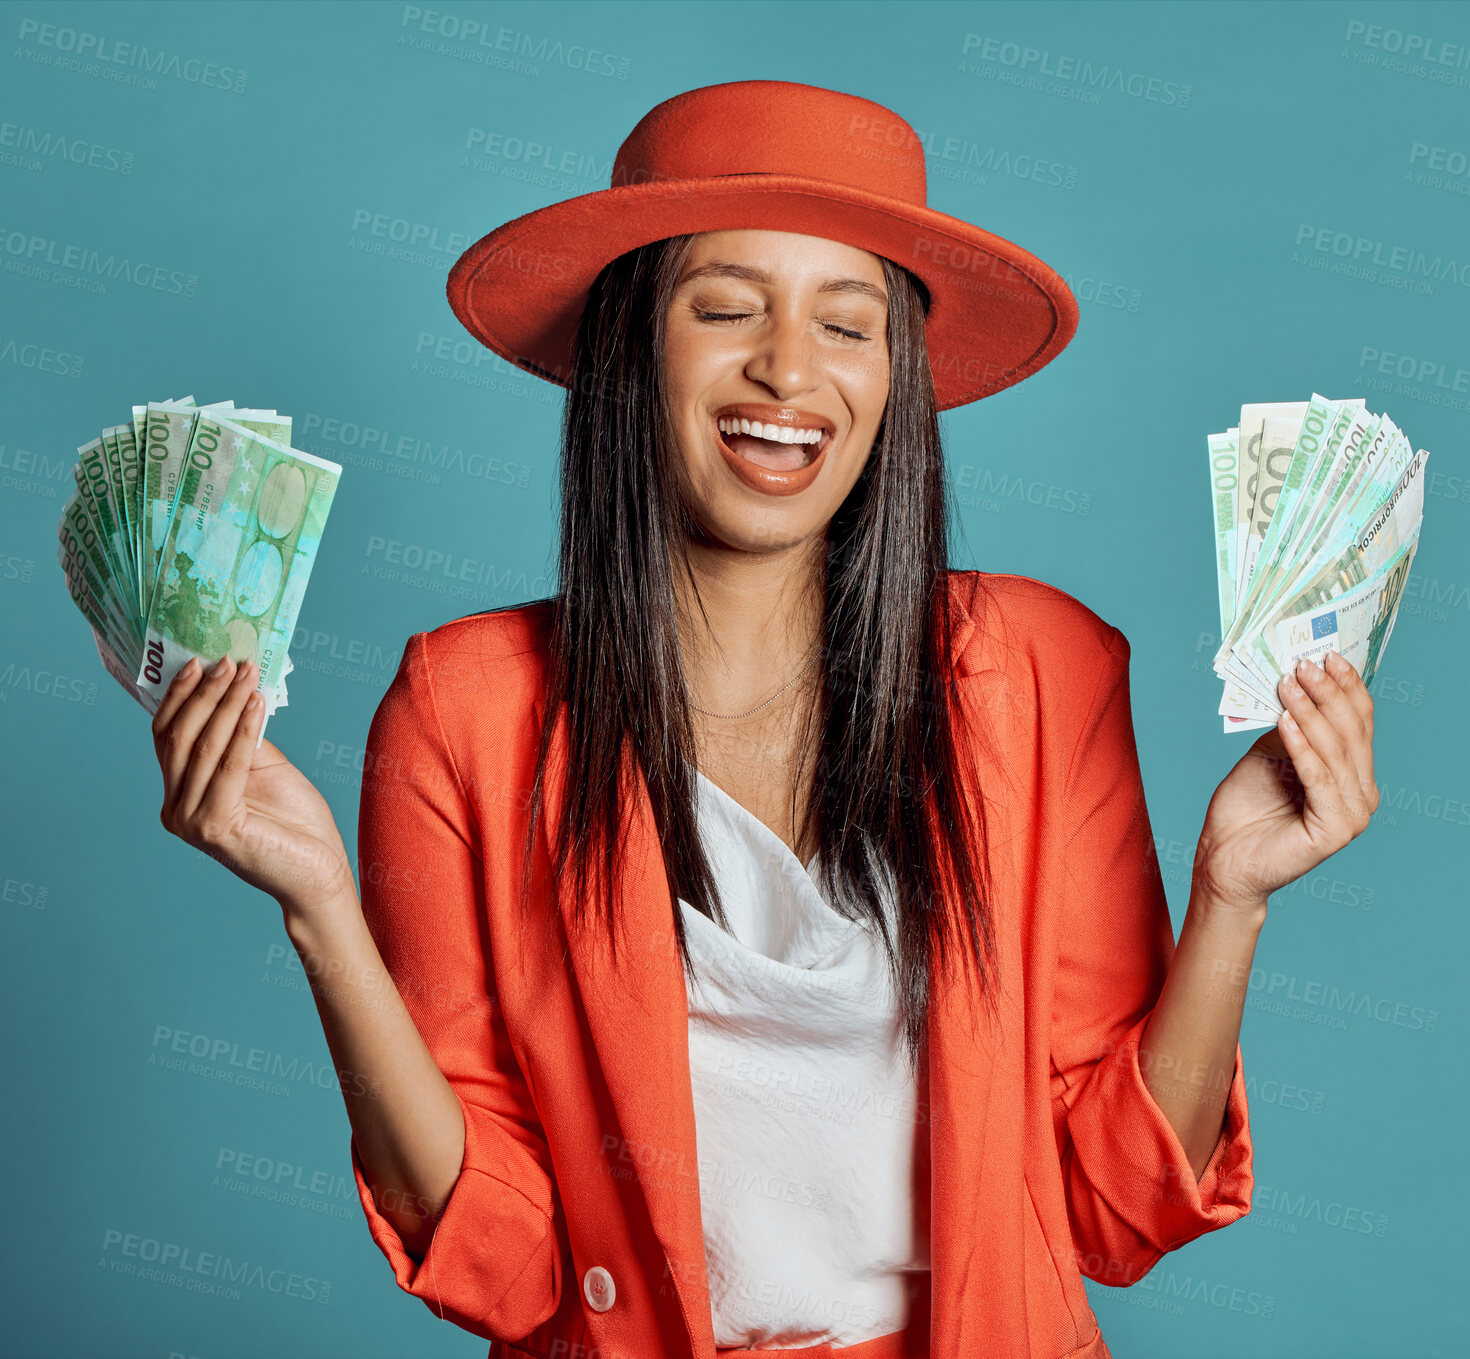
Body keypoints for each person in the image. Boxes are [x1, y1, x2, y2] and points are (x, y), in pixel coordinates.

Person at [149, 82, 1381, 1359]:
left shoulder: (1042, 671)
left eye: (847, 326)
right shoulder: (466, 708)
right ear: (633, 347)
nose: (790, 369)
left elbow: (1113, 1209)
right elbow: (505, 1265)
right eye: (727, 309)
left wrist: (1232, 898)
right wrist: (320, 912)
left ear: (894, 378)